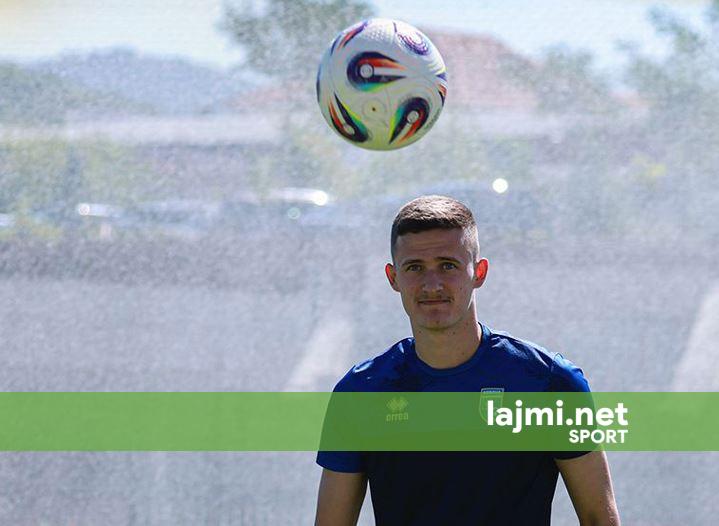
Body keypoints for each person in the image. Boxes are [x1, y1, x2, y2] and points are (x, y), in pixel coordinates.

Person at [314, 195, 620, 526]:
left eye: (448, 265)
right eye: (415, 267)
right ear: (393, 278)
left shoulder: (547, 381)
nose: (432, 284)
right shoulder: (361, 391)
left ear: (479, 272)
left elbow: (598, 518)